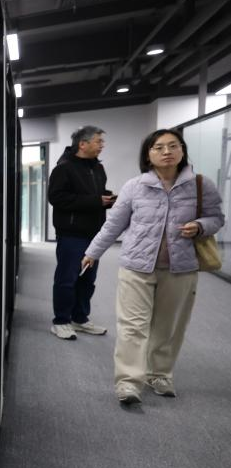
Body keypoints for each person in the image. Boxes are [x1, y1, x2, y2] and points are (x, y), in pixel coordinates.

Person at [82, 128, 224, 405]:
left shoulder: (200, 184)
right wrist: (92, 252)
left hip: (181, 269)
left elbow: (216, 217)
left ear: (182, 151)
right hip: (136, 266)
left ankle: (159, 374)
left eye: (173, 146)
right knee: (132, 326)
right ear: (148, 155)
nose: (167, 151)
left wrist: (199, 226)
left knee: (168, 326)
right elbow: (114, 224)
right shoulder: (135, 186)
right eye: (159, 147)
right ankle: (128, 382)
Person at [47, 125, 115, 340]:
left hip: (95, 234)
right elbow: (57, 198)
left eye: (102, 142)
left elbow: (93, 195)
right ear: (83, 144)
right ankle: (61, 321)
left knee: (88, 279)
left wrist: (106, 200)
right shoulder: (63, 168)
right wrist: (95, 201)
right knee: (67, 279)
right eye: (98, 141)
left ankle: (80, 318)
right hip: (71, 234)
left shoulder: (98, 168)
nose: (102, 145)